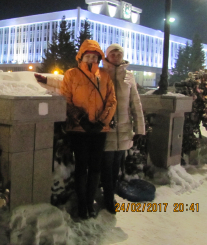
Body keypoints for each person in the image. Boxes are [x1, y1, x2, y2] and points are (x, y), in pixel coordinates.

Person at [60, 40, 117, 219]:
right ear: (81, 56)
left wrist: (102, 122)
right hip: (79, 129)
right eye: (88, 56)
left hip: (99, 130)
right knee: (81, 166)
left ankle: (90, 202)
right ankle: (82, 205)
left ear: (99, 58)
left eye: (94, 56)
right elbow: (65, 99)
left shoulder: (105, 75)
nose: (91, 59)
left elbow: (111, 101)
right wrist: (82, 120)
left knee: (95, 167)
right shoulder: (71, 74)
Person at [101, 43, 145, 214]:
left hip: (124, 129)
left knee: (116, 165)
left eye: (119, 53)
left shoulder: (129, 76)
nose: (116, 56)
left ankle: (111, 193)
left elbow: (136, 103)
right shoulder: (101, 73)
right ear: (107, 56)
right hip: (106, 129)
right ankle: (108, 198)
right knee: (106, 165)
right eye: (113, 53)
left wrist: (140, 128)